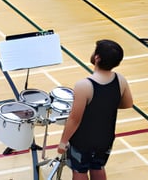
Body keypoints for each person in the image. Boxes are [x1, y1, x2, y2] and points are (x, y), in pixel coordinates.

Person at [57, 39, 134, 180]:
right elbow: (128, 103)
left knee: (79, 171)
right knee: (98, 166)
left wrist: (63, 142)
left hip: (83, 140)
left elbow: (74, 119)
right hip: (106, 137)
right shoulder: (120, 80)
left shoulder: (83, 86)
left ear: (97, 58)